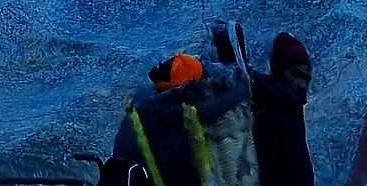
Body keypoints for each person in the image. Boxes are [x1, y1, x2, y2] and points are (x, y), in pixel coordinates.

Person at [109, 50, 257, 186]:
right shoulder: (170, 113)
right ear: (183, 88)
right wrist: (243, 85)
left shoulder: (144, 102)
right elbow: (214, 108)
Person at [250, 32, 314, 186]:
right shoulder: (274, 116)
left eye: (306, 78)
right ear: (278, 71)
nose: (302, 85)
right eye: (296, 74)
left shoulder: (287, 110)